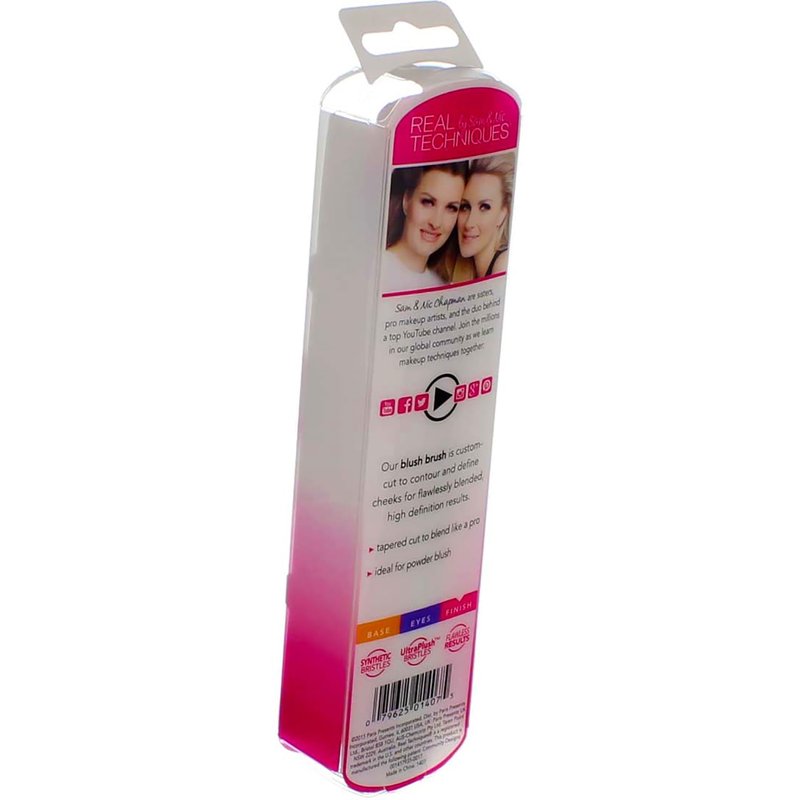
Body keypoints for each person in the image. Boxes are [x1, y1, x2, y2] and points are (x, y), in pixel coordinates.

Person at [383, 163, 468, 292]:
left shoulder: (441, 286)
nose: (436, 222)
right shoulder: (375, 269)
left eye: (451, 208)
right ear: (407, 200)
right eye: (428, 202)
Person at [437, 154, 515, 284]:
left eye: (484, 207)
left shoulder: (503, 263)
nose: (469, 223)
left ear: (503, 213)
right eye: (465, 207)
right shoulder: (463, 268)